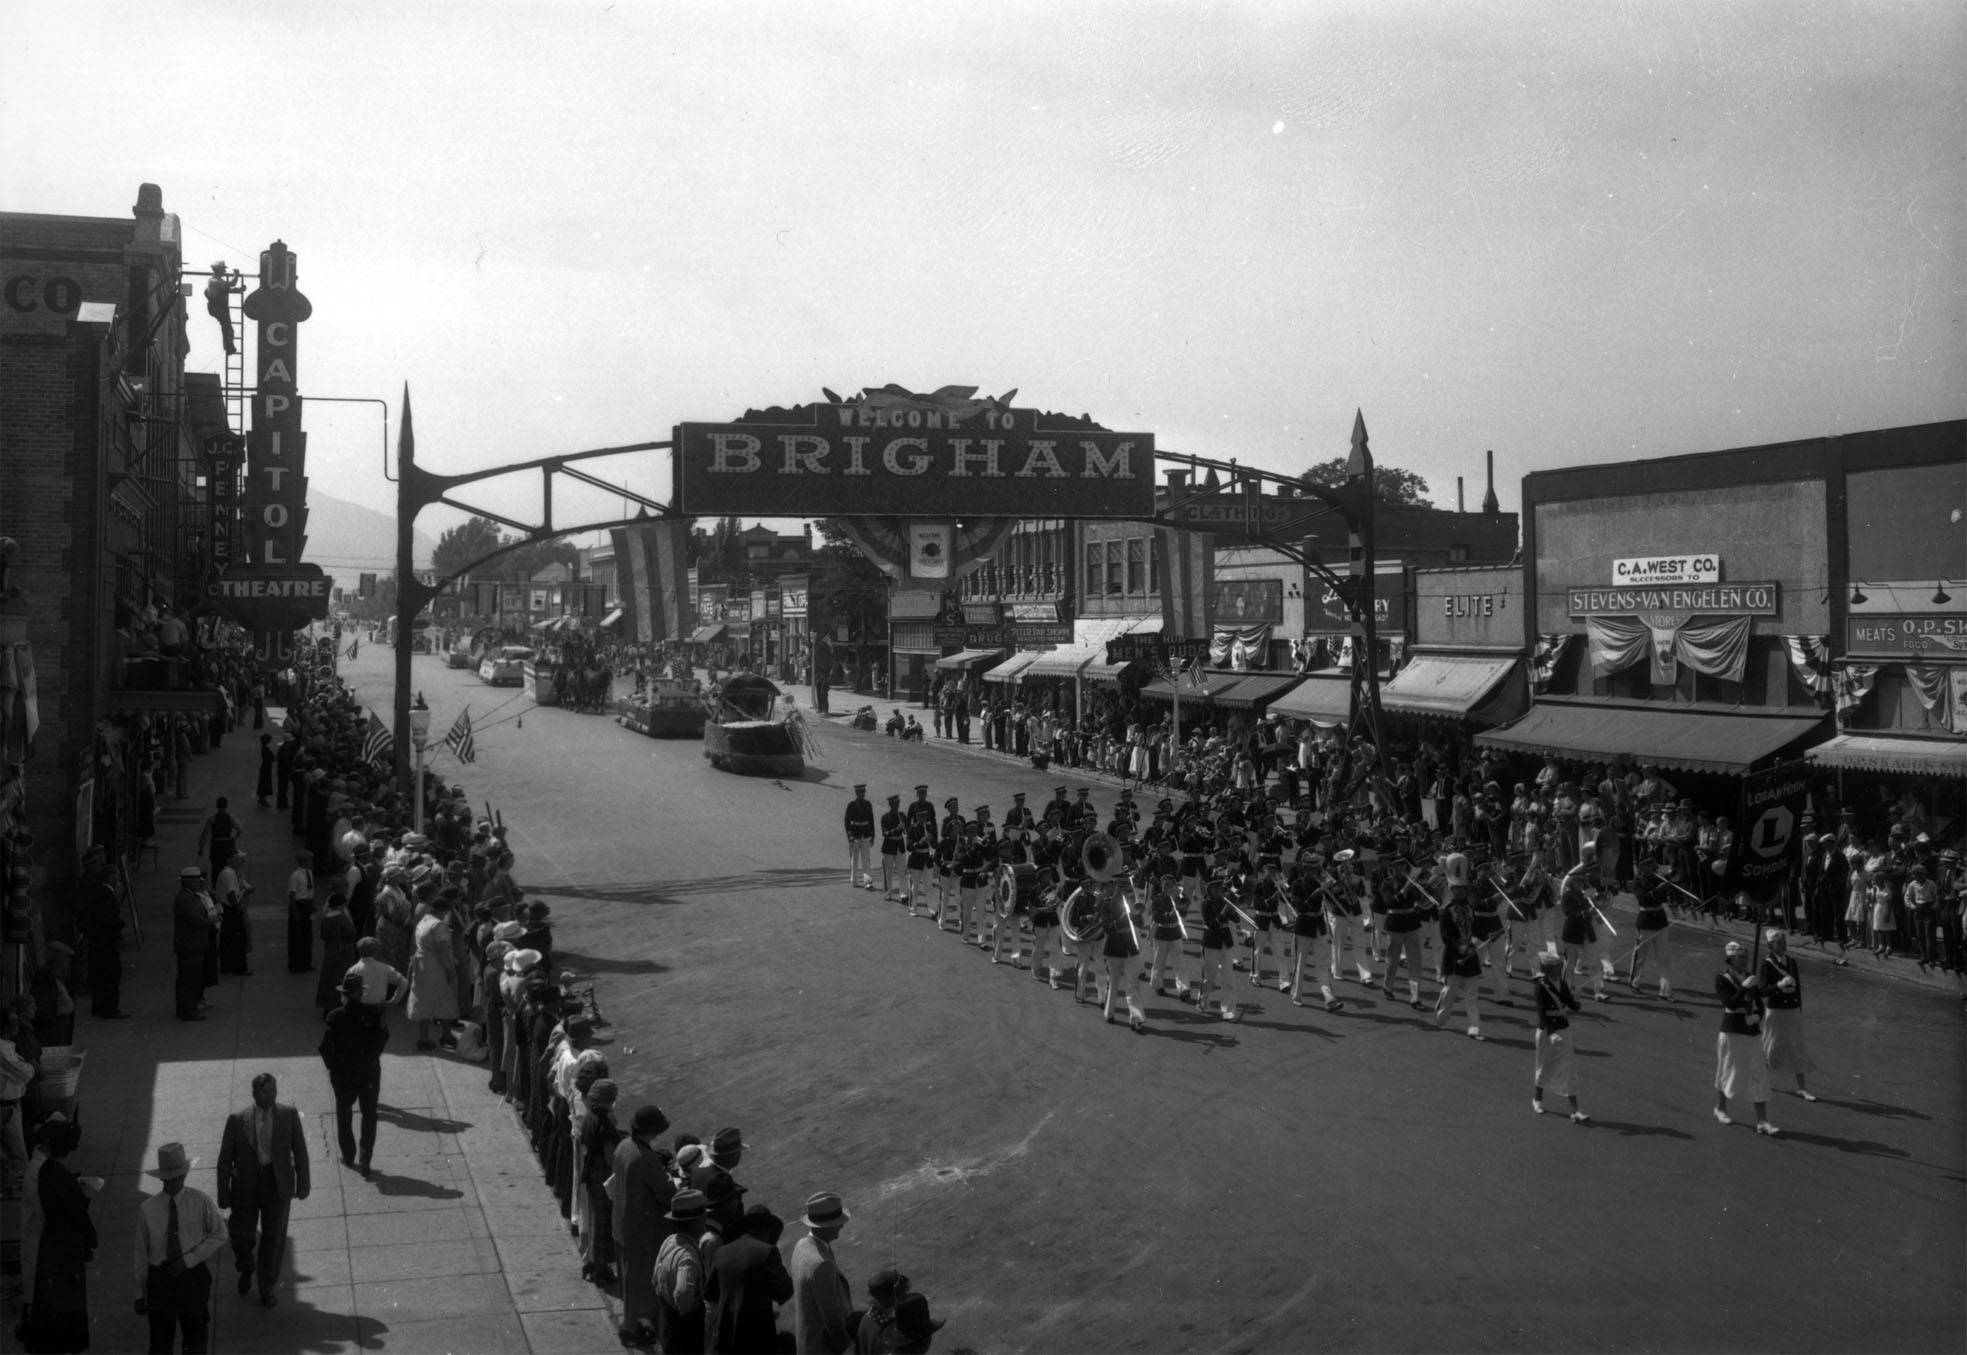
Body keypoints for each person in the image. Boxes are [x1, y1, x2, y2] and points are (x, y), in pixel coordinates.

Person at [215, 1072, 310, 1307]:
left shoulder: (288, 1115)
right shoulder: (237, 1120)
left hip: (277, 1185)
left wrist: (303, 1182)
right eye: (265, 1091)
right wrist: (223, 1192)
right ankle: (246, 1268)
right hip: (246, 1186)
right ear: (254, 1093)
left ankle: (266, 1287)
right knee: (240, 1236)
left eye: (273, 1091)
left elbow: (300, 1150)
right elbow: (225, 1159)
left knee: (274, 1238)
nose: (270, 1096)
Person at [132, 1142, 228, 1355]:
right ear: (161, 1179)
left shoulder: (199, 1201)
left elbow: (219, 1234)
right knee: (160, 1342)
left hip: (191, 1278)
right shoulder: (147, 1210)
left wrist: (189, 1260)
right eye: (168, 1179)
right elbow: (141, 1253)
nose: (173, 1183)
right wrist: (140, 1293)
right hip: (160, 1280)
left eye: (178, 1177)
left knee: (195, 1338)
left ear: (184, 1176)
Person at [23, 1115, 95, 1354]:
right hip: (52, 1248)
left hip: (50, 1246)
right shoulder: (41, 1170)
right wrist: (79, 1195)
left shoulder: (43, 1166)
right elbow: (55, 1210)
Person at [612, 1103, 675, 1347]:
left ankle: (631, 1324)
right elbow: (665, 1192)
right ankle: (631, 1328)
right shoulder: (645, 1158)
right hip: (640, 1231)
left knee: (629, 1281)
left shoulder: (624, 1146)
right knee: (639, 1282)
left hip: (622, 1223)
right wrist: (670, 1178)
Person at [319, 974, 388, 1174]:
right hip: (368, 1072)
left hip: (343, 1073)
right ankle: (365, 1157)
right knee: (369, 1114)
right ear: (361, 993)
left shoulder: (335, 1016)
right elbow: (383, 1036)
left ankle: (348, 1155)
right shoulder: (374, 1014)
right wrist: (371, 1057)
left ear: (345, 995)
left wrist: (333, 1067)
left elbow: (325, 1047)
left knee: (344, 1112)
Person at [706, 1203, 792, 1354]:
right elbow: (785, 1292)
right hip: (757, 1336)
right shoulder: (766, 1251)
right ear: (766, 1230)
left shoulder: (721, 1252)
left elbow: (711, 1294)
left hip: (724, 1335)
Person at [1714, 941, 1778, 1135]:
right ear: (1731, 959)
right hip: (1732, 1030)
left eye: (1746, 957)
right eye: (1740, 958)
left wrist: (1756, 1017)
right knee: (1728, 1070)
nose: (1744, 961)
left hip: (1751, 1031)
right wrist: (1743, 987)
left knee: (1759, 1073)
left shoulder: (1750, 977)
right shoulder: (1722, 978)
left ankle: (1763, 1120)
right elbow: (1730, 1003)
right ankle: (1721, 1108)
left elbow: (1759, 1003)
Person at [790, 1191, 854, 1355]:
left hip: (808, 1342)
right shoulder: (821, 1265)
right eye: (836, 1222)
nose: (841, 1225)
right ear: (824, 1227)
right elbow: (832, 1318)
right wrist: (847, 1348)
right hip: (823, 1348)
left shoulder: (802, 1245)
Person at [1758, 929, 1818, 1103]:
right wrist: (1778, 986)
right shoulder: (1766, 964)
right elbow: (1762, 989)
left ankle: (1802, 1088)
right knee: (1769, 1045)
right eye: (1778, 943)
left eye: (1784, 943)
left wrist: (1799, 1008)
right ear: (1770, 945)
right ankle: (1761, 1079)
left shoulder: (1791, 962)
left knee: (1797, 1047)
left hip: (1792, 1010)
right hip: (1776, 1010)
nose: (1782, 946)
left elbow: (1797, 989)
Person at [1531, 951, 1587, 1122]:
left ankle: (1575, 1111)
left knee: (1569, 1069)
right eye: (1558, 966)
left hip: (1564, 1029)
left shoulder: (1561, 983)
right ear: (1549, 969)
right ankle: (1537, 1099)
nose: (1561, 968)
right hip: (1548, 1031)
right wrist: (1551, 1033)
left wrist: (1577, 997)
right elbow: (1542, 1014)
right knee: (1543, 1066)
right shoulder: (1541, 987)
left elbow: (1573, 1006)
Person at [654, 1187, 711, 1353]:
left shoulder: (669, 1241)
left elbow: (655, 1280)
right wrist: (697, 1307)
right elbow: (683, 1296)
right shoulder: (688, 1258)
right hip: (684, 1336)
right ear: (697, 1222)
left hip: (667, 1325)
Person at [75, 847, 129, 1018]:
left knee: (101, 976)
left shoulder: (99, 890)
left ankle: (100, 1007)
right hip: (105, 943)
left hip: (98, 941)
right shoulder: (104, 894)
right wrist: (119, 924)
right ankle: (109, 1009)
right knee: (110, 975)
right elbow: (107, 920)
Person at [407, 894, 460, 1051]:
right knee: (447, 999)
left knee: (423, 1001)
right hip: (437, 967)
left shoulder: (423, 922)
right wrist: (450, 970)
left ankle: (424, 1038)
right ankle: (446, 1036)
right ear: (443, 911)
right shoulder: (438, 925)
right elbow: (442, 950)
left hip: (422, 966)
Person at [172, 867, 213, 1021]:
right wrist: (211, 921)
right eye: (197, 881)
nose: (199, 884)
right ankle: (188, 1010)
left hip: (190, 943)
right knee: (190, 979)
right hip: (190, 944)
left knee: (188, 978)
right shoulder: (186, 899)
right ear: (188, 882)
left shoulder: (189, 896)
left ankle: (186, 1008)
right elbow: (196, 920)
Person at [314, 891, 358, 1016]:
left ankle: (327, 1005)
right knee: (342, 977)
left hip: (331, 950)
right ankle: (340, 1005)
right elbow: (352, 932)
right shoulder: (342, 918)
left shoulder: (326, 917)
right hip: (343, 951)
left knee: (328, 977)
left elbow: (323, 935)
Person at [216, 848, 254, 977]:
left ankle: (227, 966)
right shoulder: (229, 874)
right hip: (231, 910)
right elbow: (231, 894)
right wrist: (237, 907)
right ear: (229, 860)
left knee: (228, 938)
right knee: (238, 939)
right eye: (236, 859)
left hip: (227, 909)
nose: (239, 861)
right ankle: (239, 967)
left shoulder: (227, 873)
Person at [195, 797, 241, 884]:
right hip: (227, 846)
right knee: (227, 866)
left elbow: (205, 835)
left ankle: (216, 885)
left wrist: (201, 848)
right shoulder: (230, 817)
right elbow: (240, 829)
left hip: (216, 846)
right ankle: (228, 883)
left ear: (217, 806)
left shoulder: (212, 819)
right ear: (226, 806)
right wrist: (234, 838)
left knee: (216, 867)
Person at [285, 849, 316, 974]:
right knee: (296, 936)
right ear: (303, 861)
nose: (311, 862)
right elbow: (292, 896)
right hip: (299, 905)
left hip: (307, 904)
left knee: (307, 936)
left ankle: (306, 962)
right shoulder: (295, 876)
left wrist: (312, 905)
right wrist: (295, 912)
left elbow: (310, 891)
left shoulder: (309, 873)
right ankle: (295, 964)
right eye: (309, 860)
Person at [844, 785, 876, 891]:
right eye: (861, 792)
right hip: (855, 834)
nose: (863, 794)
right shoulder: (851, 805)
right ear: (856, 793)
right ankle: (854, 879)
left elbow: (871, 820)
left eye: (863, 792)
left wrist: (873, 835)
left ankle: (867, 881)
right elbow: (847, 822)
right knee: (854, 858)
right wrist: (850, 836)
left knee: (866, 858)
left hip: (865, 834)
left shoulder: (868, 805)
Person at [204, 262, 239, 354]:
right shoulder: (214, 281)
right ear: (218, 270)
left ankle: (228, 346)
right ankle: (229, 347)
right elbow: (231, 284)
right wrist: (236, 275)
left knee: (226, 327)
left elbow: (227, 289)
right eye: (223, 269)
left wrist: (239, 290)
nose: (224, 271)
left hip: (220, 308)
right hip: (217, 308)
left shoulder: (218, 280)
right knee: (227, 327)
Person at [878, 794, 906, 901]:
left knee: (902, 870)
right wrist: (896, 829)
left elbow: (906, 829)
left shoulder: (902, 815)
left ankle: (903, 894)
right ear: (890, 805)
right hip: (889, 846)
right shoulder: (885, 817)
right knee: (888, 871)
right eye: (894, 804)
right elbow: (885, 833)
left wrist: (904, 828)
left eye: (897, 803)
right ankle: (888, 892)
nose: (896, 806)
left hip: (899, 844)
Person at [255, 734, 275, 807]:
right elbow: (272, 758)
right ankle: (262, 799)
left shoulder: (264, 748)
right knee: (264, 784)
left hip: (265, 767)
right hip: (266, 768)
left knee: (263, 784)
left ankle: (262, 798)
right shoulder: (266, 749)